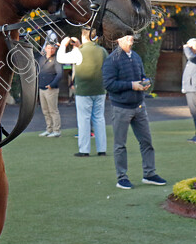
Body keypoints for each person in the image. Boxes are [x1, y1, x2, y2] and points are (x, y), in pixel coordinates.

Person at [103, 34, 166, 190]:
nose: (130, 38)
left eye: (130, 35)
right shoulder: (112, 60)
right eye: (126, 36)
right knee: (120, 145)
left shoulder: (136, 57)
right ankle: (122, 178)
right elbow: (109, 84)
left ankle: (149, 174)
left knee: (147, 142)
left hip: (139, 106)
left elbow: (142, 76)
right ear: (118, 39)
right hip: (121, 108)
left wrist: (145, 82)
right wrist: (132, 85)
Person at [57, 29, 109, 157]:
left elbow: (61, 58)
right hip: (100, 90)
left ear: (83, 35)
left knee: (84, 119)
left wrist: (63, 45)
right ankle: (101, 149)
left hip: (84, 91)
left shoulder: (80, 52)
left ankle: (84, 150)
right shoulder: (102, 51)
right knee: (99, 119)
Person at [37, 42, 63, 138]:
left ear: (55, 49)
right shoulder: (42, 59)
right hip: (41, 88)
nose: (50, 50)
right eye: (48, 48)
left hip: (51, 89)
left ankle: (56, 130)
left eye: (52, 48)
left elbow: (59, 74)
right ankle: (49, 129)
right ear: (45, 49)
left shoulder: (56, 60)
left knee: (53, 110)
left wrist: (52, 85)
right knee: (45, 110)